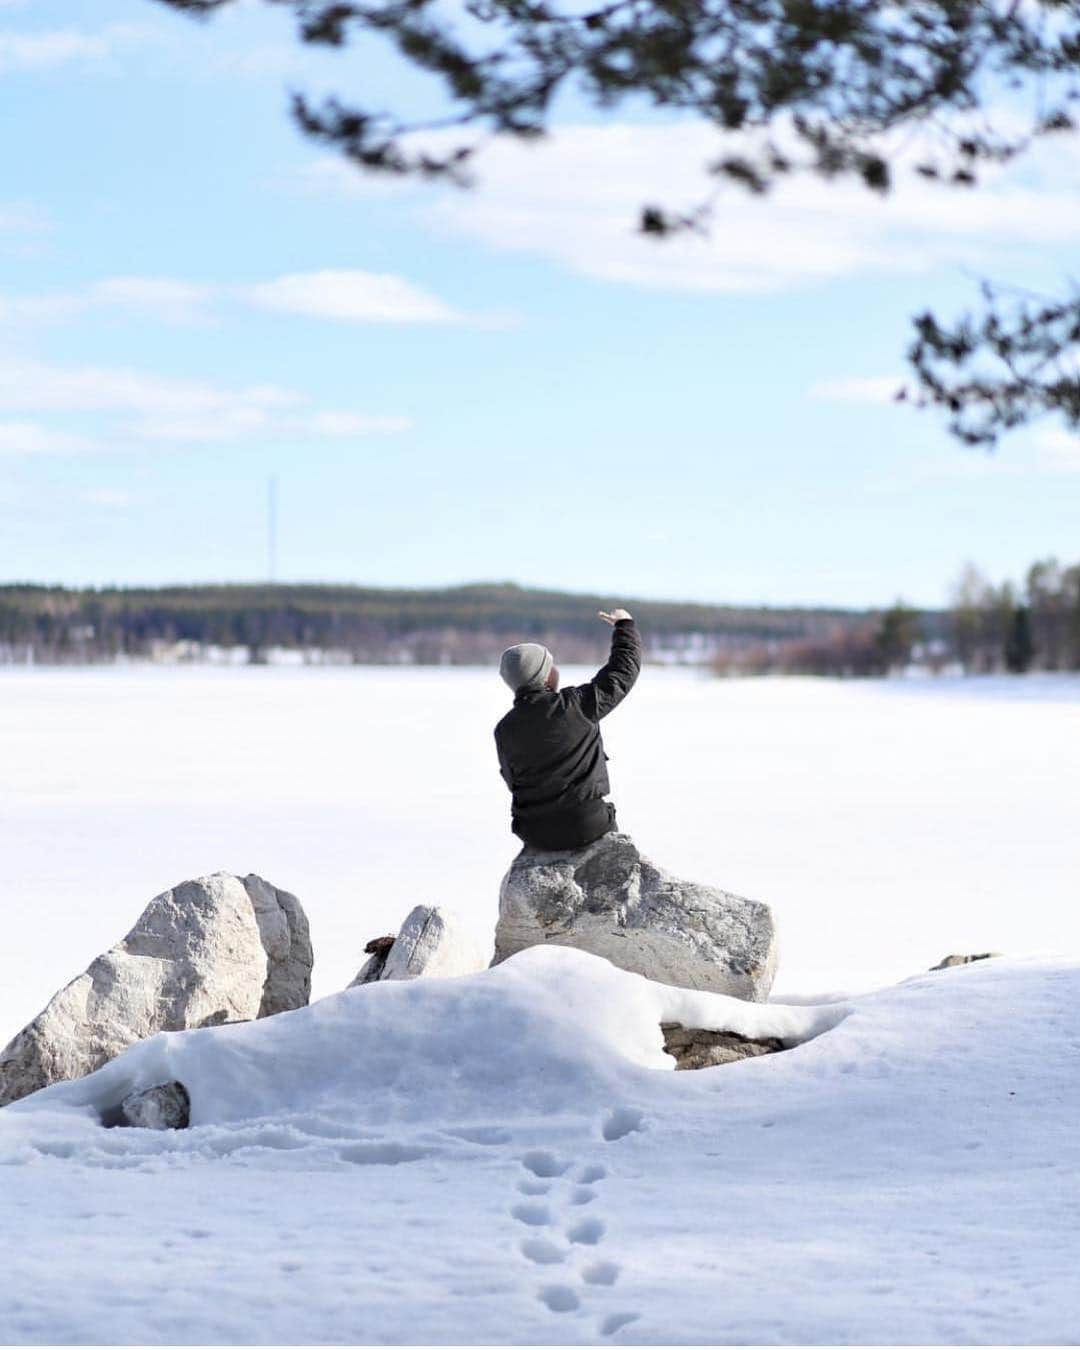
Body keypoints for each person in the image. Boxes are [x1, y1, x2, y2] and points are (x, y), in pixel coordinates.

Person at [494, 608, 642, 851]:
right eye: (550, 665)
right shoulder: (576, 705)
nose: (555, 670)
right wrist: (624, 626)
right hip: (587, 826)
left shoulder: (504, 729)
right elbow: (622, 672)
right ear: (542, 676)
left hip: (534, 834)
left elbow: (512, 781)